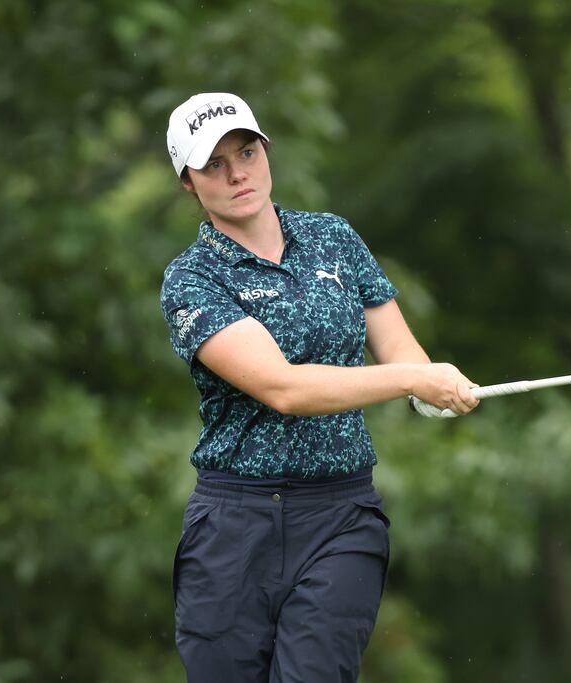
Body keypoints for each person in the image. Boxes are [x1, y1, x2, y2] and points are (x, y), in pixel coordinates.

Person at [159, 92, 479, 682]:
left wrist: (432, 387)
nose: (237, 175)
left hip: (340, 517)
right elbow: (284, 388)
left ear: (266, 151)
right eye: (213, 165)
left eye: (247, 153)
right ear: (187, 183)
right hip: (234, 525)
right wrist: (410, 379)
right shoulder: (190, 279)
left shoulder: (334, 238)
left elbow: (403, 353)